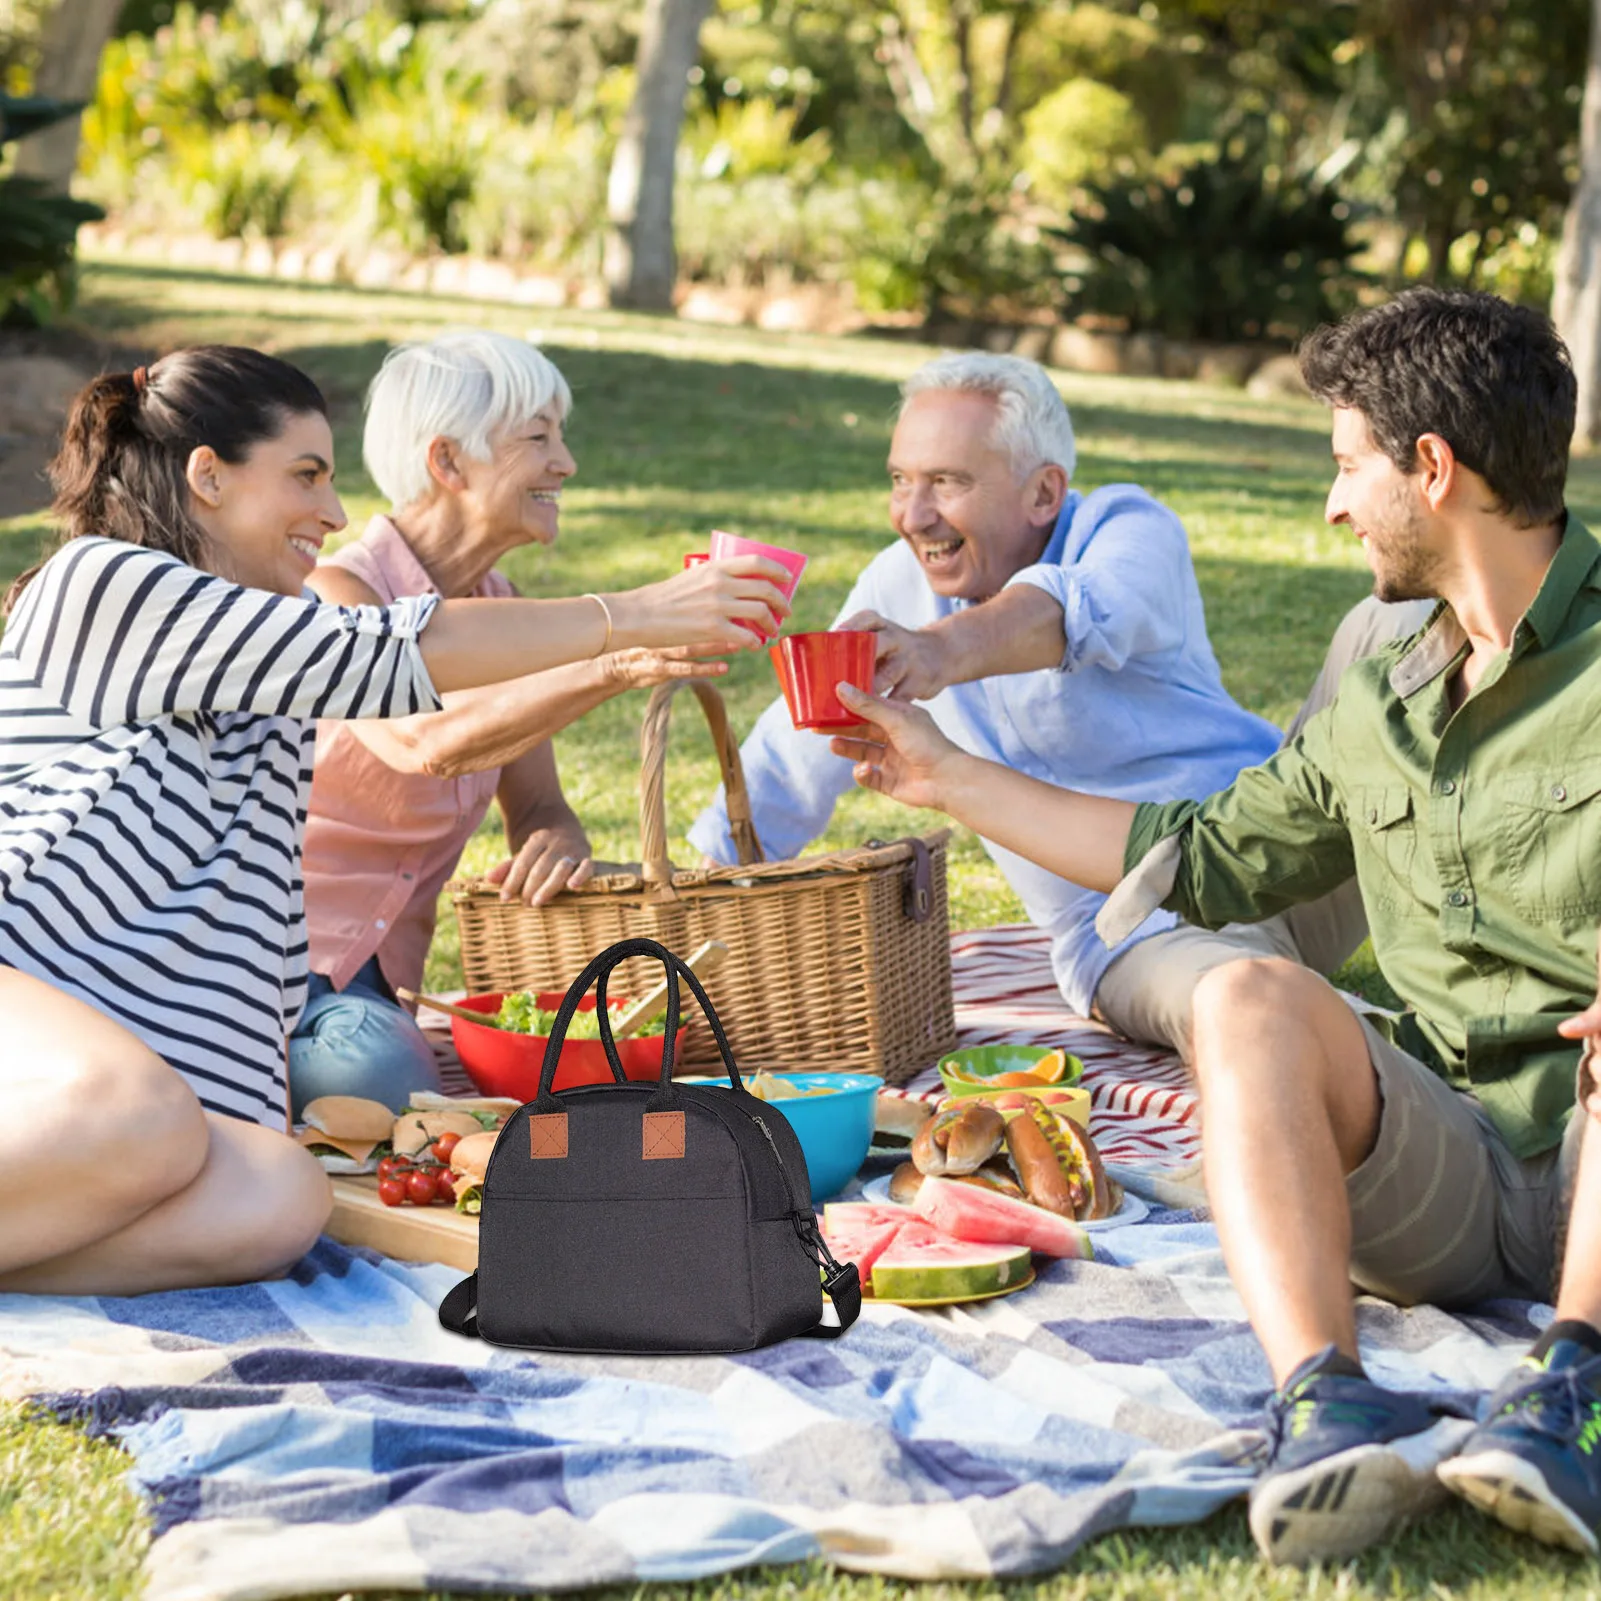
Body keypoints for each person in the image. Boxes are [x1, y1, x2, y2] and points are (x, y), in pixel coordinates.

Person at [824, 290, 1601, 1565]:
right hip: (1455, 1153)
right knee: (1240, 995)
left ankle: (1570, 1390)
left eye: (1348, 465)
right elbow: (1193, 855)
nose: (1333, 502)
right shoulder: (1387, 681)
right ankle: (1326, 1402)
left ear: (1431, 468)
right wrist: (938, 775)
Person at [0, 346, 790, 1297]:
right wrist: (634, 615)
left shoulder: (268, 687)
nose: (333, 514)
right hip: (32, 1007)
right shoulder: (105, 584)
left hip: (123, 1082)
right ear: (208, 475)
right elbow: (382, 656)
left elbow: (256, 933)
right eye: (305, 476)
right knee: (145, 1114)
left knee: (280, 1193)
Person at [690, 351, 1426, 1058]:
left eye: (945, 481)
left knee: (1399, 621)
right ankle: (1405, 1060)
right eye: (899, 479)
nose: (912, 514)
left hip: (1287, 847)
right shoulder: (893, 587)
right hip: (1132, 930)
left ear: (1043, 492)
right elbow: (790, 759)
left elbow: (1073, 612)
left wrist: (937, 649)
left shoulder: (1127, 529)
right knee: (1250, 1009)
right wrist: (696, 894)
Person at [290, 331, 727, 1115]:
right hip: (286, 962)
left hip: (385, 982)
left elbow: (536, 804)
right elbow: (423, 739)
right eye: (537, 438)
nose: (565, 463)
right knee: (383, 1085)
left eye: (560, 435)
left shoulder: (500, 603)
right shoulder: (337, 595)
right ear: (448, 462)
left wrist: (555, 836)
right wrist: (616, 659)